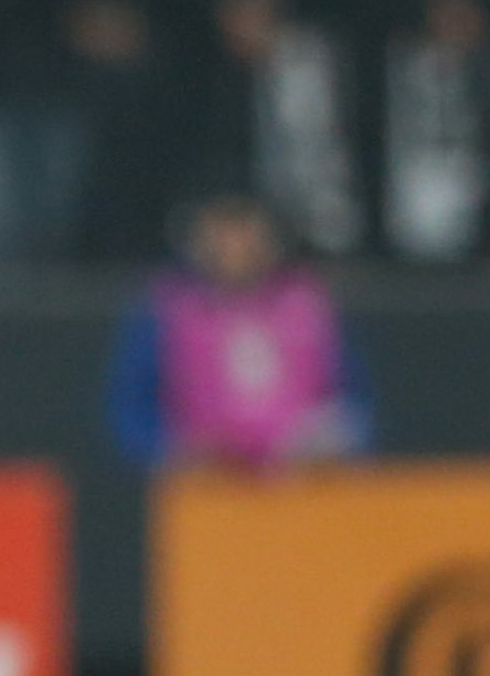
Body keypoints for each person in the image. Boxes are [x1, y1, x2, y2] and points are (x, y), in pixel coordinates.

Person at [107, 195, 369, 471]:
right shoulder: (167, 307)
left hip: (303, 483)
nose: (236, 248)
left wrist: (329, 441)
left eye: (246, 234)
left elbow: (355, 403)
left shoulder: (310, 303)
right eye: (223, 235)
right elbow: (132, 413)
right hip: (205, 487)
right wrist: (178, 449)